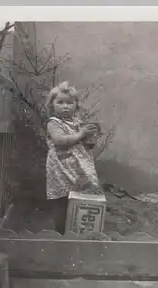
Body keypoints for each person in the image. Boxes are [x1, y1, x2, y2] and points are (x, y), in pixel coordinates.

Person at [44, 81, 104, 234]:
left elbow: (83, 144)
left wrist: (91, 139)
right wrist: (80, 134)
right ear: (52, 105)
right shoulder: (54, 123)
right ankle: (61, 234)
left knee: (82, 200)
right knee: (62, 203)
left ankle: (81, 231)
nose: (65, 106)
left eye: (70, 103)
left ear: (76, 105)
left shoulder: (78, 123)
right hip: (61, 171)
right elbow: (60, 141)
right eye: (60, 102)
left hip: (78, 171)